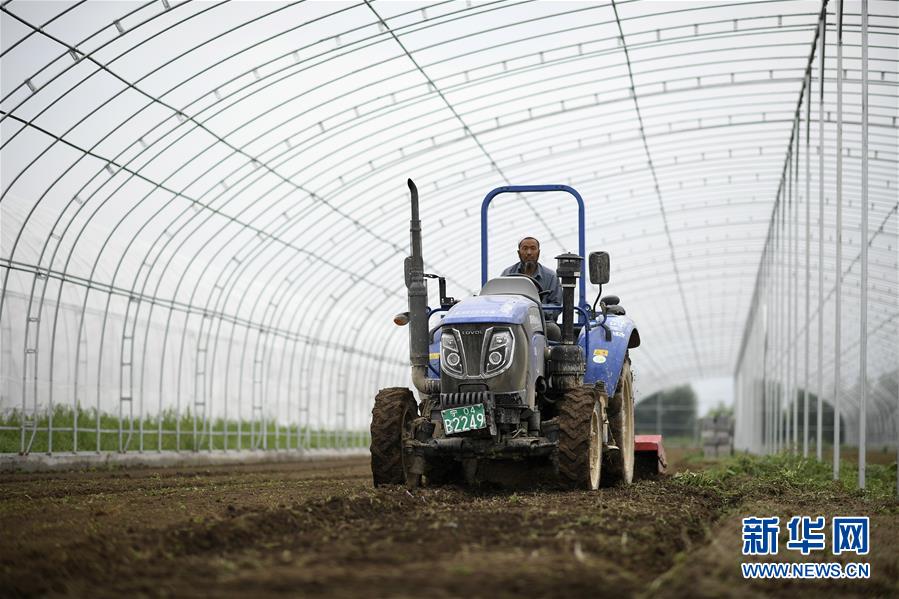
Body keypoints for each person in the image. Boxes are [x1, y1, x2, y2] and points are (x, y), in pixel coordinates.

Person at [501, 236, 562, 306]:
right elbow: (500, 301)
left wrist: (534, 310)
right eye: (525, 248)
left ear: (538, 252)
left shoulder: (551, 277)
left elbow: (556, 305)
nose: (529, 252)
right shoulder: (507, 274)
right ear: (519, 253)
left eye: (533, 248)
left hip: (542, 316)